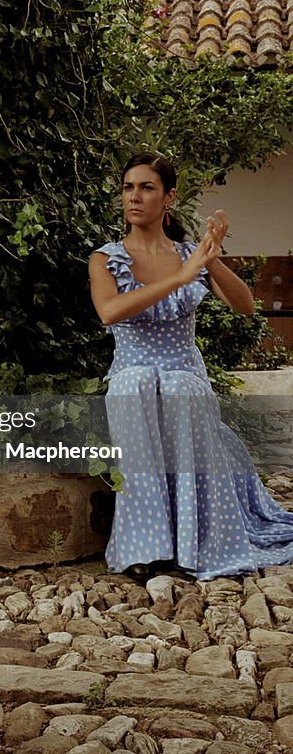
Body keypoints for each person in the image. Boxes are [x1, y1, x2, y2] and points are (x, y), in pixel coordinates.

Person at [88, 151, 293, 582]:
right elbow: (109, 312)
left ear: (168, 198)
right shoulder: (105, 259)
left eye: (146, 187)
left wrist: (209, 257)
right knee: (133, 384)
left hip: (183, 371)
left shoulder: (189, 254)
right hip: (132, 371)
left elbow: (245, 307)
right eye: (128, 188)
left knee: (182, 389)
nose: (134, 197)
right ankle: (143, 548)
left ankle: (193, 545)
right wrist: (179, 278)